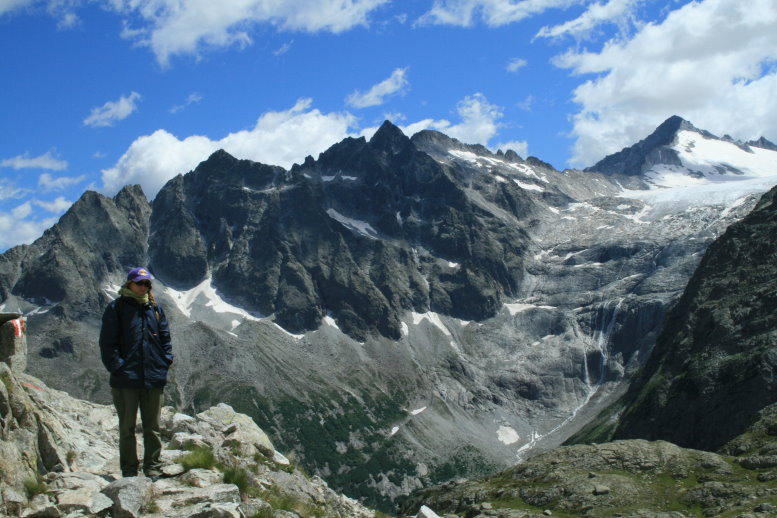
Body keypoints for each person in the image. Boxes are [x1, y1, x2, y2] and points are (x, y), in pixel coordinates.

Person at [99, 267, 173, 479]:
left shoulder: (155, 309)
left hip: (153, 378)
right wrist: (118, 367)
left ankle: (152, 468)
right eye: (140, 283)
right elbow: (107, 343)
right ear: (129, 283)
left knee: (153, 428)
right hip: (125, 380)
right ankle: (129, 471)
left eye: (147, 284)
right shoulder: (117, 308)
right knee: (127, 428)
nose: (144, 287)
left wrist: (165, 361)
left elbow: (165, 339)